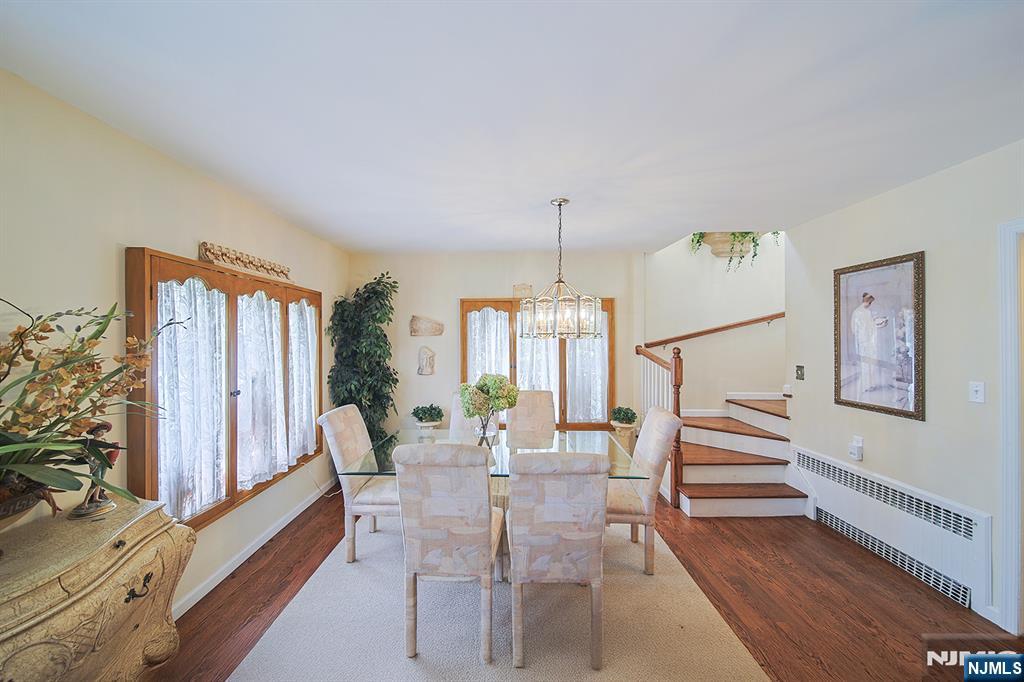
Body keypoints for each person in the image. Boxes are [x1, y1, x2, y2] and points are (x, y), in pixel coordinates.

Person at [851, 293, 888, 393]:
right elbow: (854, 329)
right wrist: (862, 338)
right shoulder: (858, 312)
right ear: (866, 301)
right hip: (864, 342)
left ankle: (871, 384)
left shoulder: (867, 312)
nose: (870, 304)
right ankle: (866, 385)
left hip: (870, 341)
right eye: (870, 302)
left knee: (872, 362)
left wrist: (880, 322)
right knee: (866, 364)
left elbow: (872, 323)